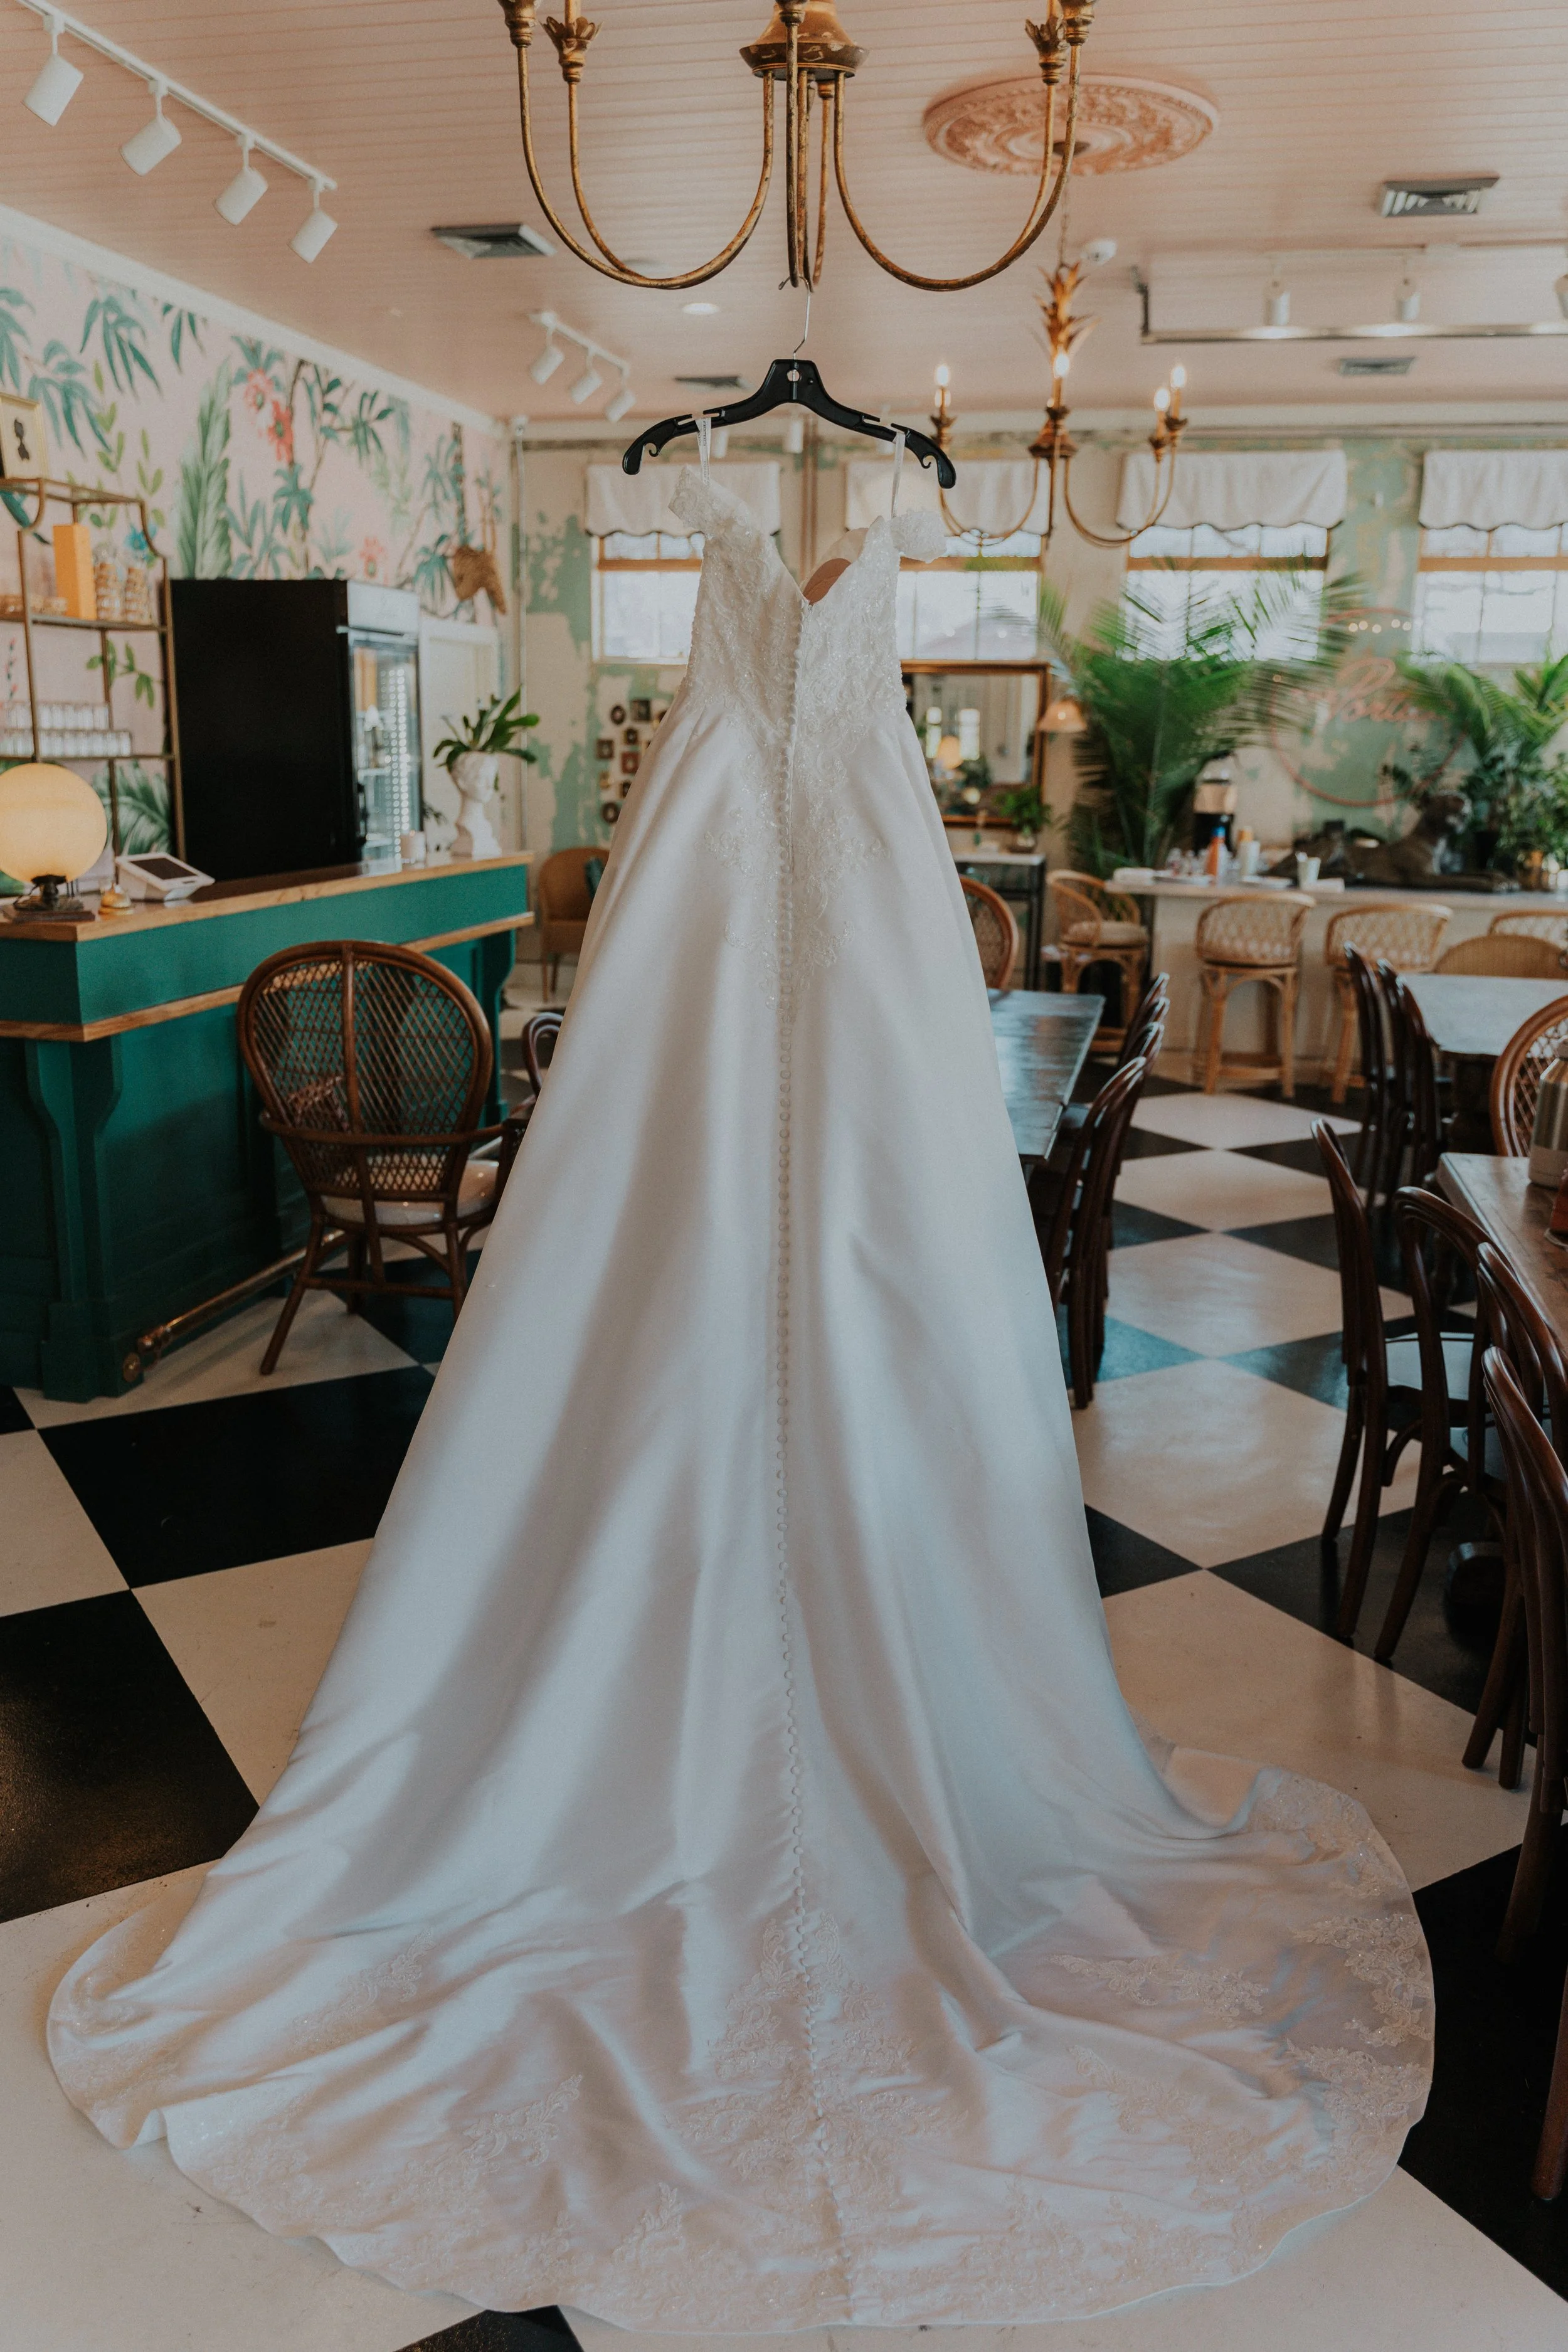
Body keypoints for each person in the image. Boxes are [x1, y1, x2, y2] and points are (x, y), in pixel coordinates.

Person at [50, 442, 1431, 2330]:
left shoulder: (842, 546)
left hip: (852, 941)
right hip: (714, 940)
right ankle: (638, 1729)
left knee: (881, 1308)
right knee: (653, 1285)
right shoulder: (715, 528)